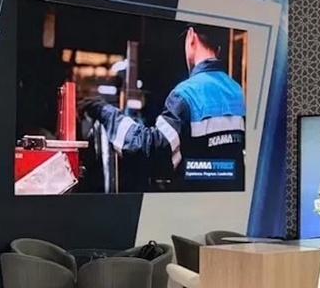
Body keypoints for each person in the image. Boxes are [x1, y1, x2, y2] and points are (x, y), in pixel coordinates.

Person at [79, 24, 245, 188]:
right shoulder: (238, 92)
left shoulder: (187, 94)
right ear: (219, 47)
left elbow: (149, 151)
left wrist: (105, 112)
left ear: (191, 36)